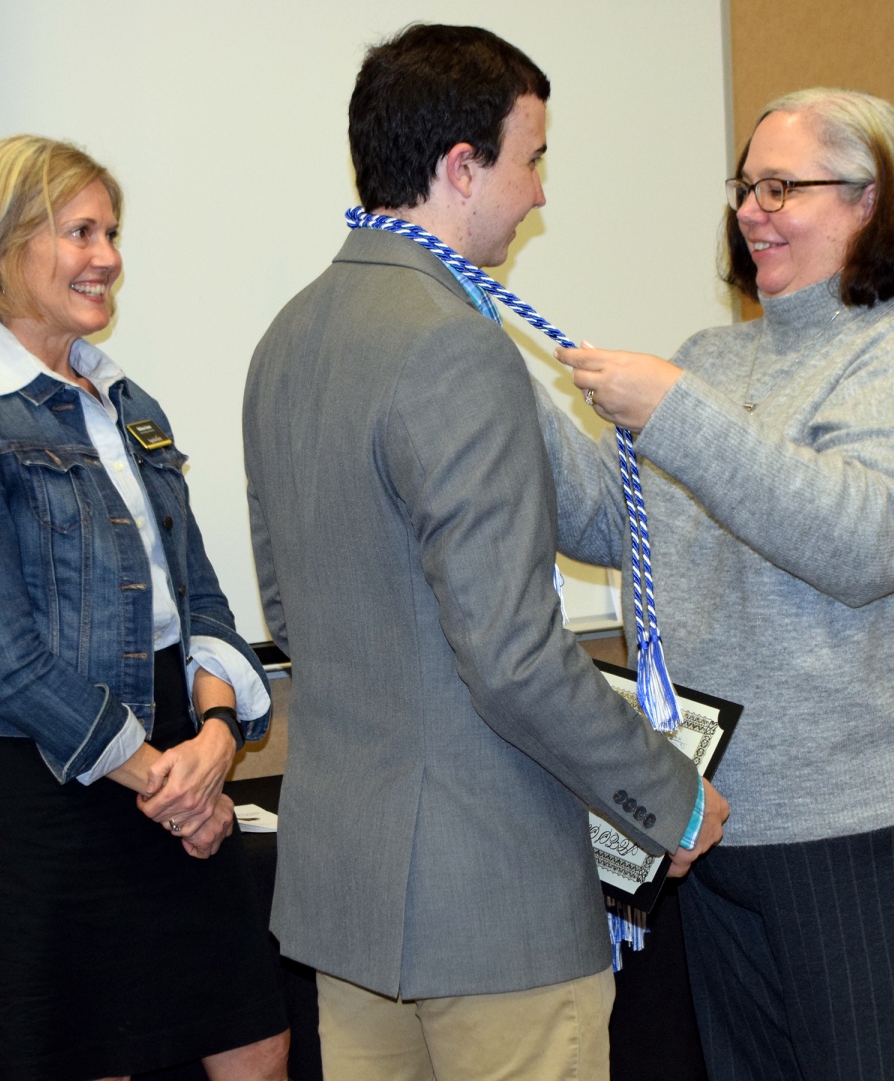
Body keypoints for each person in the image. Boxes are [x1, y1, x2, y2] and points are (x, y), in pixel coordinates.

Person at [242, 24, 728, 1081]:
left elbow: (290, 613)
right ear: (462, 168)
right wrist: (669, 793)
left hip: (351, 901)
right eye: (533, 158)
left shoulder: (287, 337)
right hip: (490, 907)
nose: (541, 191)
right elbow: (512, 656)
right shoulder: (455, 344)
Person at [538, 88, 894, 1080]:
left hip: (890, 832)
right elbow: (604, 521)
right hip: (727, 835)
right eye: (744, 187)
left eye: (780, 186)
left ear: (872, 199)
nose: (751, 210)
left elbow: (867, 539)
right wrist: (487, 371)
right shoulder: (714, 358)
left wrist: (675, 412)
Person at [0, 136, 290, 1081]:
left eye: (110, 230)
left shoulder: (130, 402)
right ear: (1, 246)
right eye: (80, 231)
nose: (107, 254)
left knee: (259, 1048)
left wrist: (217, 738)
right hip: (51, 788)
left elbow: (202, 601)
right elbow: (5, 661)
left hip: (177, 753)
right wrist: (167, 781)